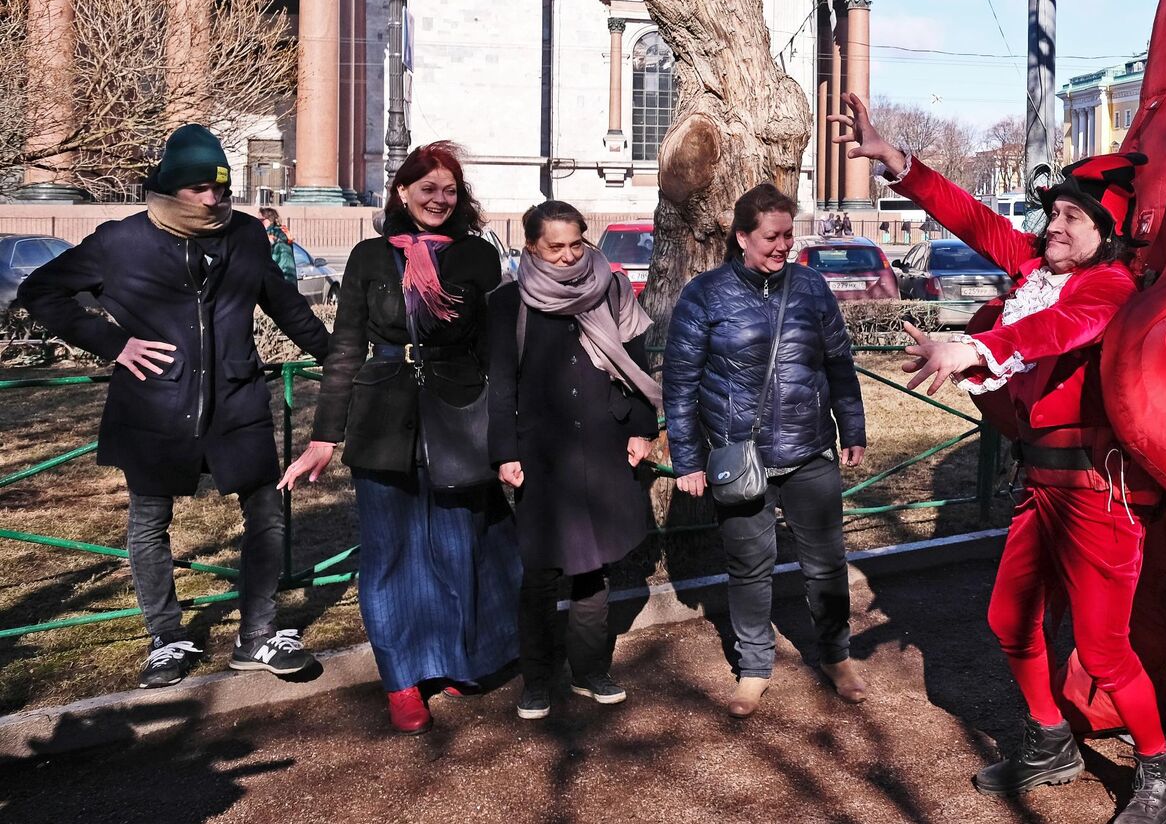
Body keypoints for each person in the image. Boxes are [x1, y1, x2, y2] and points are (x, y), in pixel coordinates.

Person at [832, 91, 1166, 824]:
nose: (1050, 227)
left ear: (1105, 232)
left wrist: (980, 345)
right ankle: (1049, 742)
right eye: (1051, 214)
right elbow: (970, 217)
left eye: (1069, 218)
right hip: (1042, 483)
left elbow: (1058, 330)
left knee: (1104, 647)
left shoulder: (1110, 287)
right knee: (1009, 621)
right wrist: (896, 159)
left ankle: (1159, 767)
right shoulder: (1037, 267)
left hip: (1099, 490)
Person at [20, 125, 331, 689]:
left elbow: (284, 304)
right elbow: (41, 292)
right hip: (155, 406)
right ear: (168, 188)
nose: (214, 199)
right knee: (149, 522)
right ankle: (167, 636)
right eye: (199, 189)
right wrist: (115, 344)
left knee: (266, 513)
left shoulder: (244, 236)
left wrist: (335, 357)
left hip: (238, 403)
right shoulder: (121, 241)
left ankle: (258, 636)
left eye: (221, 187)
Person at [280, 141, 517, 734]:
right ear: (402, 191)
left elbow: (500, 353)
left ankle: (456, 656)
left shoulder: (477, 259)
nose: (439, 199)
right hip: (383, 416)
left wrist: (508, 436)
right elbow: (344, 350)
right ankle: (402, 679)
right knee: (389, 557)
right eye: (427, 187)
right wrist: (323, 436)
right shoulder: (368, 257)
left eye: (449, 190)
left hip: (459, 412)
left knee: (460, 543)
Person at [663, 183, 868, 718]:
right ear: (742, 237)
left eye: (788, 235)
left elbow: (839, 365)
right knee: (749, 567)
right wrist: (686, 459)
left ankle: (836, 655)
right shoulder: (704, 294)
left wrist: (854, 428)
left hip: (810, 452)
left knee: (826, 564)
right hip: (740, 459)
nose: (784, 246)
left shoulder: (811, 288)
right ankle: (753, 668)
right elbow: (680, 384)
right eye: (772, 237)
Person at [489, 201, 661, 722]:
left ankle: (589, 669)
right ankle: (537, 678)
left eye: (576, 244)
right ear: (531, 248)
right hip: (541, 451)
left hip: (604, 442)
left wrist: (641, 428)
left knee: (594, 567)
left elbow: (636, 364)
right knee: (540, 570)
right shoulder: (508, 302)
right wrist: (505, 452)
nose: (567, 257)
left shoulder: (611, 287)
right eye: (554, 247)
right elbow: (500, 384)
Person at [259, 208, 298, 285]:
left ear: (269, 219)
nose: (258, 222)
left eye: (261, 220)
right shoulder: (279, 231)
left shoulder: (276, 233)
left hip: (282, 276)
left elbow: (276, 256)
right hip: (283, 277)